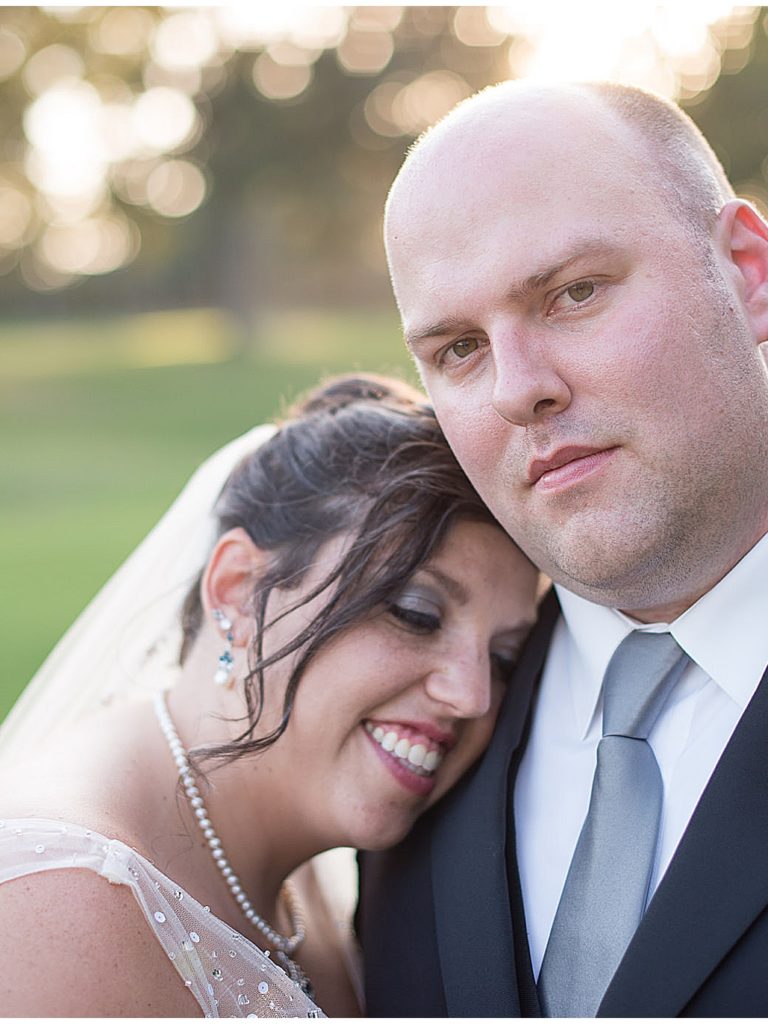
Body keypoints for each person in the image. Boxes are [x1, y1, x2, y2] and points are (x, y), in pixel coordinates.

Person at [357, 80, 768, 1017]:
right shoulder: (400, 730)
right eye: (458, 348)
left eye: (573, 293)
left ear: (746, 272)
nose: (517, 388)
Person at [0, 373, 540, 1018]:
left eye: (504, 658)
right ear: (236, 589)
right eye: (415, 613)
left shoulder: (305, 870)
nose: (473, 696)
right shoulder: (62, 903)